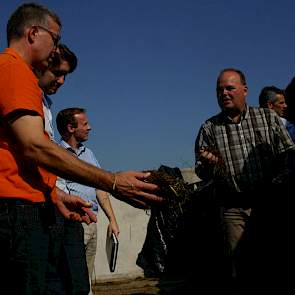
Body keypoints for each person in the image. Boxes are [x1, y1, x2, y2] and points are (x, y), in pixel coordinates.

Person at [0, 3, 161, 294]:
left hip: (27, 208)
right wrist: (112, 181)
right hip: (16, 212)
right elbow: (35, 146)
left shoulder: (17, 75)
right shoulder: (13, 68)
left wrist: (55, 193)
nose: (56, 48)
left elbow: (17, 155)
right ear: (34, 33)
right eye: (56, 39)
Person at [194, 68, 295, 293]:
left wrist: (278, 185)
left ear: (245, 90)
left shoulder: (267, 117)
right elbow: (201, 172)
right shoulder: (209, 128)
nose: (224, 93)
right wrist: (209, 164)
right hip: (232, 207)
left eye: (230, 88)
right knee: (239, 266)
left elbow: (288, 153)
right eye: (220, 90)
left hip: (268, 203)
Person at [56, 107, 120, 294]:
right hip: (73, 224)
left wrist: (112, 220)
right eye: (85, 124)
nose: (90, 127)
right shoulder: (57, 154)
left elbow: (100, 188)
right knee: (72, 278)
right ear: (71, 128)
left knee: (87, 279)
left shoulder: (89, 154)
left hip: (92, 224)